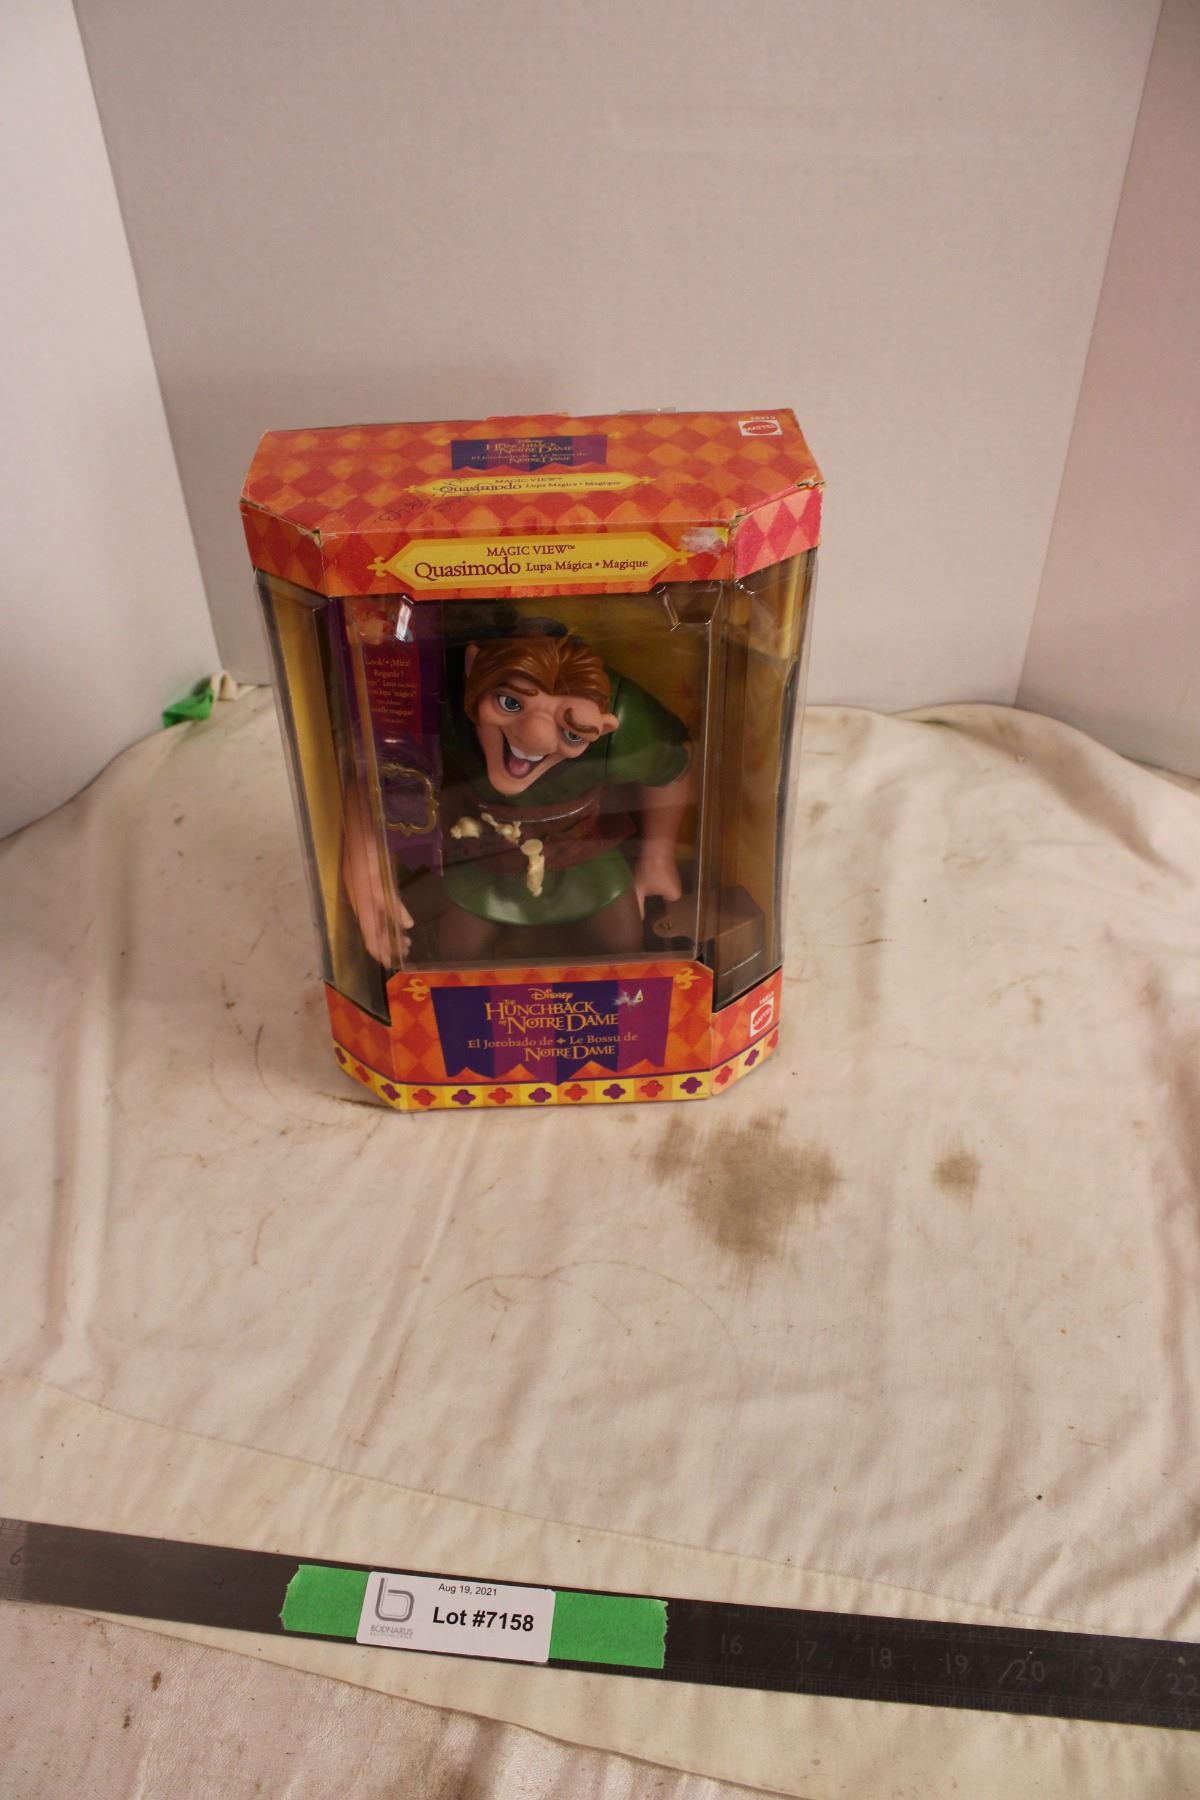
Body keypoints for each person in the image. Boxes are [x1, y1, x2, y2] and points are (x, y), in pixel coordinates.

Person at [343, 629, 692, 965]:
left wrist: (658, 853)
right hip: (484, 854)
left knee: (623, 942)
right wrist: (368, 866)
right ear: (472, 671)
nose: (535, 736)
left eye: (571, 732)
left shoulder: (623, 727)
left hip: (582, 850)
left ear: (605, 727)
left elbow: (675, 766)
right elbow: (380, 773)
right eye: (510, 703)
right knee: (458, 949)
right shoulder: (444, 706)